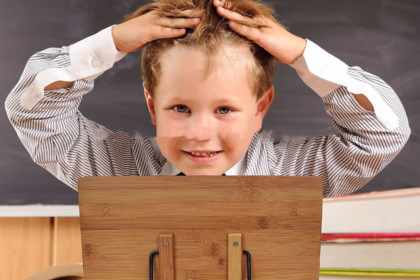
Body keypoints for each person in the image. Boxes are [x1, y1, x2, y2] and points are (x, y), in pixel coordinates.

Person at [4, 0, 410, 197]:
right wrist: (109, 42)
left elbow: (381, 134)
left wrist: (301, 53)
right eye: (180, 108)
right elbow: (34, 110)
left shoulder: (293, 176)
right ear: (151, 106)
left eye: (225, 110)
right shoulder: (117, 173)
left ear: (260, 109)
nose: (201, 133)